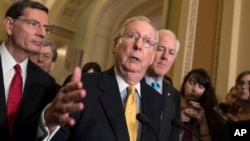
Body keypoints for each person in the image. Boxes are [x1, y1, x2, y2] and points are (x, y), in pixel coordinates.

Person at [41, 16, 174, 141]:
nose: (138, 45)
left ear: (152, 57)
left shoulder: (156, 100)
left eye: (148, 41)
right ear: (115, 45)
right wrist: (49, 123)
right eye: (132, 36)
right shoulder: (83, 86)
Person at [0, 1, 58, 141]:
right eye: (34, 24)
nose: (42, 34)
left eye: (46, 28)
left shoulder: (47, 84)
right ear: (9, 25)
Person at [144, 29, 180, 140]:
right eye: (160, 49)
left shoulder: (174, 95)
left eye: (171, 53)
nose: (165, 56)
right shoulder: (132, 84)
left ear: (173, 60)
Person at [179, 68, 222, 141]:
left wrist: (203, 122)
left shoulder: (210, 113)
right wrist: (177, 120)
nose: (194, 89)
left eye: (201, 87)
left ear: (205, 92)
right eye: (192, 83)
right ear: (184, 84)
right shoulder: (172, 105)